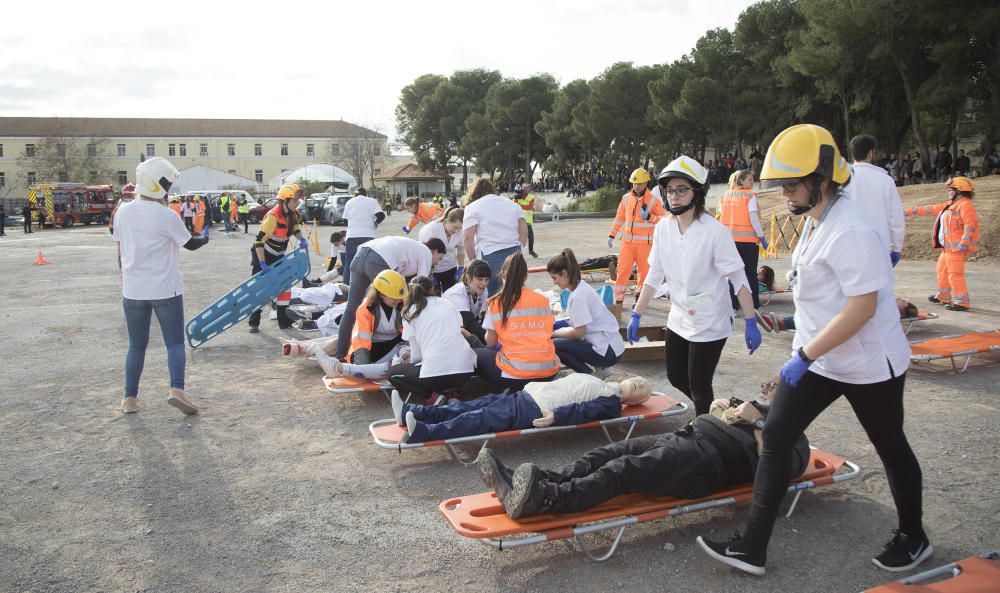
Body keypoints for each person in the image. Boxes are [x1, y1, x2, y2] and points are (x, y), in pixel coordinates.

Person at [697, 123, 928, 577]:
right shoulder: (816, 220)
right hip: (822, 355)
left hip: (867, 361)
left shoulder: (853, 229)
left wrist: (802, 356)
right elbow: (820, 295)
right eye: (781, 183)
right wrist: (791, 328)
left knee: (889, 445)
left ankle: (913, 536)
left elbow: (861, 309)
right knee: (777, 434)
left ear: (823, 179)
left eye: (792, 183)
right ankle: (753, 547)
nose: (784, 192)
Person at [481, 380, 806, 520]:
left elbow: (774, 472)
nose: (766, 389)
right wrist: (720, 410)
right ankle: (536, 482)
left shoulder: (796, 439)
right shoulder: (756, 408)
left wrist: (760, 426)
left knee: (622, 471)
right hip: (688, 438)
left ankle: (548, 499)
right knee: (607, 453)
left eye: (775, 387)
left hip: (707, 464)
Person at [628, 156, 761, 416]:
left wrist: (750, 320)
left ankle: (705, 434)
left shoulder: (714, 232)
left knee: (700, 385)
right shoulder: (663, 228)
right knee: (676, 375)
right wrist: (637, 312)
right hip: (679, 314)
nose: (674, 196)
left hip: (710, 318)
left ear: (697, 193)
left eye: (682, 190)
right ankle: (717, 413)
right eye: (670, 190)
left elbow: (738, 278)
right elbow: (654, 275)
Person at [112, 157, 209, 415]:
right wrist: (205, 237)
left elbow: (119, 247)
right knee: (174, 343)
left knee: (136, 344)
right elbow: (190, 244)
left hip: (133, 290)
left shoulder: (122, 211)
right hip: (165, 289)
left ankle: (129, 399)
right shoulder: (167, 215)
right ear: (159, 185)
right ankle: (176, 389)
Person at [397, 373, 651, 444]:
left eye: (642, 389)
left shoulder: (611, 402)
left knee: (477, 419)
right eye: (640, 380)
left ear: (634, 402)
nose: (640, 383)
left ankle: (424, 432)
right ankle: (415, 412)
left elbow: (586, 411)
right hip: (529, 395)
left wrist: (557, 417)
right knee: (470, 406)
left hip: (536, 409)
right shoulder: (602, 381)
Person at [335, 236, 447, 359]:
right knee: (386, 302)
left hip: (360, 255)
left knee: (351, 308)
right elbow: (420, 288)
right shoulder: (426, 253)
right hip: (378, 259)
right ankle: (368, 354)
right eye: (439, 258)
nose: (437, 263)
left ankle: (340, 354)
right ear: (434, 251)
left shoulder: (413, 249)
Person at [378, 275, 478, 404]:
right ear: (432, 289)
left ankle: (433, 397)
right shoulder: (447, 303)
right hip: (465, 372)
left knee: (393, 374)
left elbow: (416, 357)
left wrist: (406, 362)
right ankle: (453, 392)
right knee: (449, 361)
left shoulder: (410, 312)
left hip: (435, 376)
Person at [474, 252, 559, 392]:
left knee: (475, 354)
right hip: (548, 372)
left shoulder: (496, 303)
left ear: (502, 275)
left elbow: (490, 342)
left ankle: (506, 389)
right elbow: (548, 331)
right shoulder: (542, 299)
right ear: (525, 276)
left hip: (516, 375)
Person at [904, 176, 980, 311]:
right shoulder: (951, 204)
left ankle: (962, 302)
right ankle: (944, 296)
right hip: (949, 248)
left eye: (951, 189)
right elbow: (931, 209)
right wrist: (909, 211)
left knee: (955, 274)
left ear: (959, 191)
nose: (948, 192)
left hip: (957, 248)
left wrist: (964, 242)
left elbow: (970, 225)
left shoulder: (965, 206)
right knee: (942, 270)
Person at [547, 248, 624, 375]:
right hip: (611, 346)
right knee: (559, 341)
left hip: (608, 351)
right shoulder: (581, 287)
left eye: (554, 278)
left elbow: (578, 332)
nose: (554, 282)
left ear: (565, 273)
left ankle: (589, 375)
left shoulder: (579, 295)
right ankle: (599, 369)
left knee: (553, 345)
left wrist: (553, 334)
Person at [248, 183, 309, 333]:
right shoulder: (272, 217)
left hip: (278, 255)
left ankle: (284, 320)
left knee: (284, 286)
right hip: (263, 254)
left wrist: (301, 239)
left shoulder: (292, 214)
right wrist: (262, 263)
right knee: (260, 290)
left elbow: (294, 229)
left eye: (298, 201)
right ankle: (253, 322)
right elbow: (258, 242)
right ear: (284, 201)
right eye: (295, 201)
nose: (297, 204)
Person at [323, 269, 407, 375]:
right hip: (371, 347)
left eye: (400, 297)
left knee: (406, 348)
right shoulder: (366, 309)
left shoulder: (404, 306)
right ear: (381, 293)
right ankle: (340, 367)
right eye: (394, 297)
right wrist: (362, 365)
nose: (398, 300)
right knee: (363, 365)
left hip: (394, 346)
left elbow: (409, 335)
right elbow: (361, 341)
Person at [843, 135, 906, 267]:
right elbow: (896, 218)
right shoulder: (885, 180)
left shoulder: (842, 179)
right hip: (878, 249)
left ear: (852, 153)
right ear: (872, 153)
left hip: (846, 248)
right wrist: (896, 248)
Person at [607, 167, 667, 304]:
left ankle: (638, 299)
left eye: (639, 183)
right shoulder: (626, 199)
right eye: (634, 183)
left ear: (646, 183)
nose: (636, 186)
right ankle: (619, 300)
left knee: (644, 274)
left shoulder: (653, 201)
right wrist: (612, 234)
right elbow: (619, 217)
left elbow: (664, 219)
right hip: (627, 243)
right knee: (622, 272)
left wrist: (650, 217)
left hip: (645, 245)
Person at [462, 178, 527, 296]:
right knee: (516, 295)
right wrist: (520, 250)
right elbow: (523, 232)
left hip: (489, 255)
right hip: (514, 253)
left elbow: (467, 237)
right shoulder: (513, 205)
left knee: (492, 299)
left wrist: (474, 261)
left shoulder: (473, 207)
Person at [718, 169, 768, 308]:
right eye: (750, 179)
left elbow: (720, 214)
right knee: (750, 273)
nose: (753, 182)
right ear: (741, 181)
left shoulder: (725, 196)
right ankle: (753, 304)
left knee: (733, 273)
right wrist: (761, 236)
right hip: (748, 242)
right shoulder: (750, 195)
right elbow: (753, 217)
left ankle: (733, 304)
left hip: (729, 241)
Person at [341, 187, 384, 285]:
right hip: (368, 236)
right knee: (369, 263)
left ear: (354, 195)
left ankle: (347, 288)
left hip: (351, 236)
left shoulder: (349, 202)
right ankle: (371, 287)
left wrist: (352, 227)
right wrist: (375, 224)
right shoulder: (372, 201)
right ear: (366, 194)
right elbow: (381, 216)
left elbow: (345, 220)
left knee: (350, 263)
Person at [442, 259, 491, 345]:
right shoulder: (457, 293)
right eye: (480, 279)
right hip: (445, 336)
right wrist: (492, 340)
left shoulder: (483, 290)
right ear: (469, 277)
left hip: (462, 331)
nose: (484, 283)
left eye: (486, 279)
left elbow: (483, 318)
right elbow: (469, 324)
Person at [419, 207, 465, 293]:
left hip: (450, 267)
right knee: (434, 297)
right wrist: (430, 273)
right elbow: (425, 253)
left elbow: (460, 248)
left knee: (451, 295)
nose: (457, 231)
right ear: (447, 220)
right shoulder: (431, 230)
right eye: (455, 227)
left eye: (460, 228)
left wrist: (461, 267)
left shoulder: (460, 231)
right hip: (433, 270)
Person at [515, 187, 538, 258]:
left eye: (527, 189)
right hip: (518, 220)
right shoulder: (517, 197)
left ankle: (531, 251)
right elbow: (514, 206)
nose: (526, 190)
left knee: (531, 237)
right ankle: (516, 253)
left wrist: (519, 205)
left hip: (527, 221)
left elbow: (529, 207)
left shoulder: (531, 197)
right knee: (516, 238)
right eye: (524, 189)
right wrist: (516, 198)